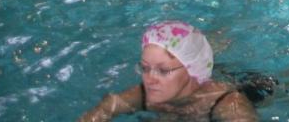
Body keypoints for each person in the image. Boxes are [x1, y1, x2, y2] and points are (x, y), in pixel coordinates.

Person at [77, 21, 258, 121]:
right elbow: (99, 113)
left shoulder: (228, 104)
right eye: (145, 68)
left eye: (163, 71)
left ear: (192, 70)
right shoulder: (141, 95)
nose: (149, 79)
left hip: (250, 87)